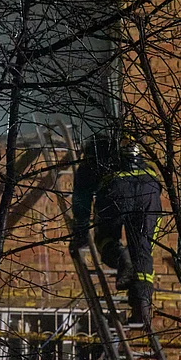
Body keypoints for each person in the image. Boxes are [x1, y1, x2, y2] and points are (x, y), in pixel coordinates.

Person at [70, 132, 164, 326]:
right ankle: (142, 309)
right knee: (143, 250)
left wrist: (80, 231)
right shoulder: (134, 155)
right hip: (150, 187)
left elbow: (82, 200)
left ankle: (122, 258)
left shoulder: (90, 164)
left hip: (117, 188)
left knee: (105, 237)